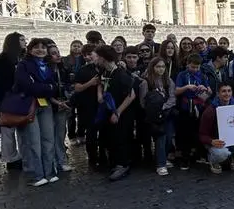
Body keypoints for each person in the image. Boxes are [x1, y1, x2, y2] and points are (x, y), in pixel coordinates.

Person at [15, 38, 60, 187]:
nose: (40, 50)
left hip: (45, 104)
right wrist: (46, 88)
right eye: (36, 47)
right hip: (30, 105)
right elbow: (27, 86)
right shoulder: (23, 65)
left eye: (43, 47)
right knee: (33, 141)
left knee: (48, 139)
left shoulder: (46, 66)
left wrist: (42, 87)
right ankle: (37, 174)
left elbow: (54, 86)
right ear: (30, 49)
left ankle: (50, 172)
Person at [93, 44, 136, 181]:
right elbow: (100, 82)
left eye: (97, 56)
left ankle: (122, 165)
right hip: (108, 110)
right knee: (110, 138)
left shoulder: (121, 74)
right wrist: (100, 94)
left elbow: (131, 95)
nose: (95, 59)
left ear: (103, 58)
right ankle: (114, 163)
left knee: (120, 138)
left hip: (120, 113)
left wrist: (117, 112)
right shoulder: (105, 71)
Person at [199, 81, 234, 174]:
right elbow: (202, 135)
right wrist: (211, 141)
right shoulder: (210, 111)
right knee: (222, 153)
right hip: (216, 143)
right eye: (224, 91)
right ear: (218, 93)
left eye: (229, 91)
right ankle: (213, 161)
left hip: (232, 141)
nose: (227, 94)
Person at [139, 57, 176, 176]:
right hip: (154, 115)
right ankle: (160, 164)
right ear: (152, 67)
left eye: (163, 67)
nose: (160, 69)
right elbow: (142, 101)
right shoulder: (146, 82)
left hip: (167, 113)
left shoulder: (168, 81)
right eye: (158, 67)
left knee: (169, 137)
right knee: (160, 137)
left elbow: (172, 97)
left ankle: (163, 158)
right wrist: (153, 110)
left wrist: (165, 106)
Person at [174, 53, 212, 169]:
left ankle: (199, 154)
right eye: (193, 67)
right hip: (186, 107)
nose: (195, 69)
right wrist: (187, 87)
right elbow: (176, 91)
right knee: (185, 133)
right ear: (187, 65)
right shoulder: (182, 75)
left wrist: (205, 88)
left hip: (200, 107)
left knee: (199, 131)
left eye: (197, 67)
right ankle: (185, 158)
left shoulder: (203, 75)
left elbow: (209, 92)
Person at [0, 32, 26, 170]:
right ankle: (10, 157)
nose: (25, 42)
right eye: (22, 40)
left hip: (21, 96)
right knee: (8, 129)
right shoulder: (4, 59)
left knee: (22, 127)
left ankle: (22, 154)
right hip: (9, 97)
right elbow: (2, 81)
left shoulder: (23, 57)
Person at [73, 43, 105, 169]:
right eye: (84, 55)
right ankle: (93, 159)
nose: (87, 57)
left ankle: (103, 156)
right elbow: (77, 88)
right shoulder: (82, 70)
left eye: (90, 54)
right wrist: (90, 83)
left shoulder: (104, 67)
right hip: (88, 106)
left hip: (103, 105)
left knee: (104, 133)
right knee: (91, 134)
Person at [47, 43, 74, 173]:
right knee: (48, 136)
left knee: (60, 135)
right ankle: (50, 162)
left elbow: (68, 85)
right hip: (48, 106)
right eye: (53, 53)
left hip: (62, 105)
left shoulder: (63, 69)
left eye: (57, 52)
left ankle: (61, 161)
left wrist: (68, 99)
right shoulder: (45, 71)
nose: (58, 55)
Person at [65, 40, 85, 144]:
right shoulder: (66, 59)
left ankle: (81, 133)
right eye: (74, 46)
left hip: (82, 89)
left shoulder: (84, 60)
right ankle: (72, 135)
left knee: (82, 113)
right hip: (70, 89)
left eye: (79, 46)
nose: (76, 48)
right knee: (71, 114)